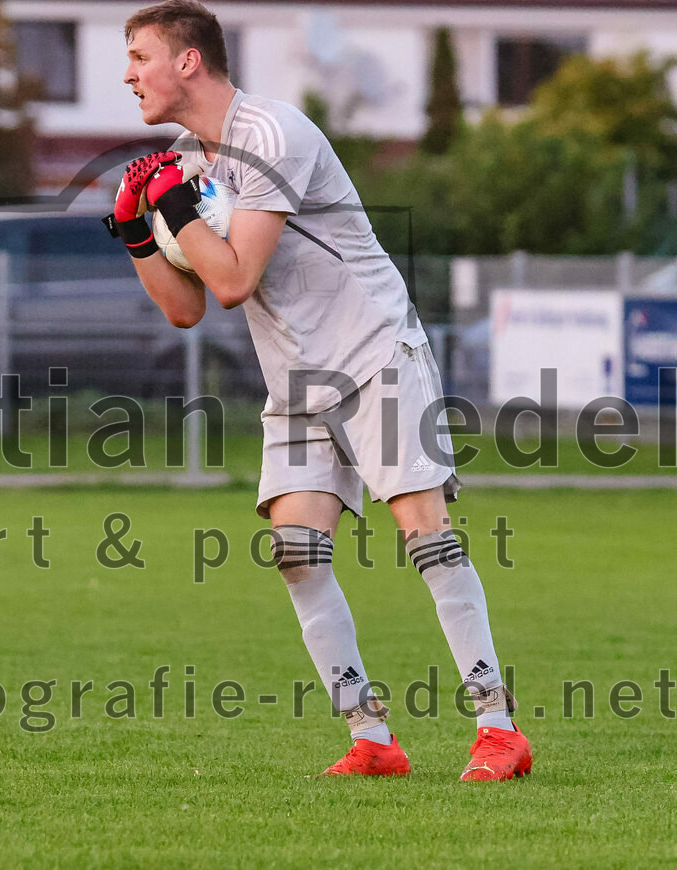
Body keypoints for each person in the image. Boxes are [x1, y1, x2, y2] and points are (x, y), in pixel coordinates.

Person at [106, 0, 531, 780]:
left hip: (374, 355)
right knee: (297, 555)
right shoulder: (185, 161)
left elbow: (233, 280)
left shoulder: (273, 133)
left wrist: (168, 203)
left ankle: (499, 728)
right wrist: (136, 230)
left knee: (426, 538)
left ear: (187, 60)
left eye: (139, 56)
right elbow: (187, 308)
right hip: (298, 382)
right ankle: (373, 739)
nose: (128, 74)